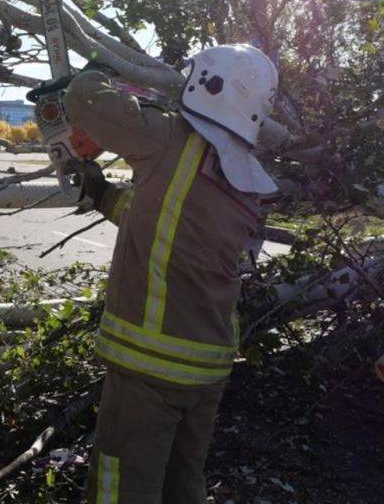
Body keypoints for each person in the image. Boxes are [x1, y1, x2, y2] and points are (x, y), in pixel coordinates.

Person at [60, 44, 279, 503]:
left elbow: (83, 99)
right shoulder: (244, 175)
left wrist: (105, 63)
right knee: (183, 485)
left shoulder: (170, 140)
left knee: (123, 488)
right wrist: (101, 194)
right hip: (209, 363)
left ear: (203, 84)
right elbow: (171, 226)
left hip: (151, 367)